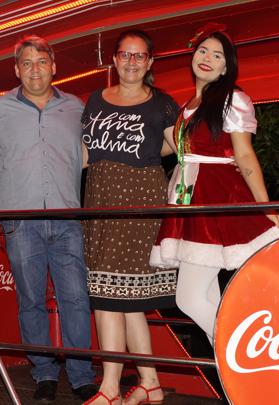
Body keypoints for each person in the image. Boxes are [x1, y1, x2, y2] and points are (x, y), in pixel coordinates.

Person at [150, 23, 279, 345]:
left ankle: (239, 352)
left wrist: (265, 207)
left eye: (217, 55)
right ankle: (234, 369)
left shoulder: (233, 100)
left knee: (189, 299)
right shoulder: (187, 108)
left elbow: (244, 154)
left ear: (227, 66)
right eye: (202, 51)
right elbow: (170, 149)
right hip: (187, 202)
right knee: (210, 298)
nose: (207, 59)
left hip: (214, 200)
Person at [0, 35, 97, 403]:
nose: (35, 69)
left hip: (67, 218)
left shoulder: (76, 107)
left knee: (76, 299)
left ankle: (81, 375)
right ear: (16, 70)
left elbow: (89, 156)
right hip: (20, 220)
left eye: (41, 62)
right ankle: (44, 373)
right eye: (26, 63)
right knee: (30, 301)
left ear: (54, 67)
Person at [81, 29, 177, 405]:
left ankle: (110, 389)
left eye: (140, 56)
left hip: (139, 200)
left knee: (109, 296)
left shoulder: (162, 103)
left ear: (150, 62)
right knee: (127, 297)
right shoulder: (95, 99)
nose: (132, 62)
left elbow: (179, 148)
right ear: (115, 59)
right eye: (125, 55)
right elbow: (85, 153)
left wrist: (143, 163)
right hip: (100, 197)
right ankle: (150, 382)